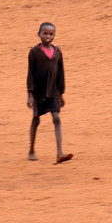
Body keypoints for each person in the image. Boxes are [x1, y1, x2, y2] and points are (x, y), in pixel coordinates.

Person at [27, 22, 72, 164]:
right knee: (36, 119)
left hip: (53, 91)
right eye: (45, 33)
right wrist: (30, 94)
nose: (47, 36)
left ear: (54, 35)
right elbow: (31, 74)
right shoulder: (34, 52)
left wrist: (61, 93)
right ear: (39, 34)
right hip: (38, 92)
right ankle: (31, 149)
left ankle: (59, 152)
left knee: (56, 118)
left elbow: (61, 73)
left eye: (50, 34)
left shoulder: (57, 52)